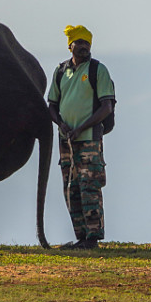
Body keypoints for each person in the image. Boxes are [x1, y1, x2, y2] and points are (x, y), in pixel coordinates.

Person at [47, 25, 116, 249]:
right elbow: (52, 106)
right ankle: (81, 237)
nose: (84, 47)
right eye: (80, 42)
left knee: (90, 186)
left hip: (89, 140)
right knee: (71, 187)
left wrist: (82, 127)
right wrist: (62, 125)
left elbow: (106, 106)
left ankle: (93, 238)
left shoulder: (98, 70)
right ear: (70, 46)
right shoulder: (60, 72)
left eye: (87, 43)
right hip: (66, 140)